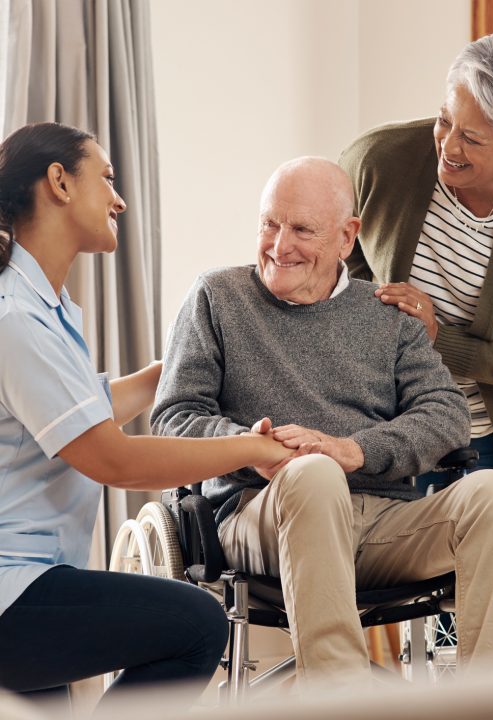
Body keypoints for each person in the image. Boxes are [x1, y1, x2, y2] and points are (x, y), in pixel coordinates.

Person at [151, 156, 493, 686]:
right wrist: (250, 445)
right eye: (269, 223)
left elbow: (446, 415)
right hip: (260, 514)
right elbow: (173, 417)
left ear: (347, 237)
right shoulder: (217, 297)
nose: (279, 246)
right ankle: (340, 697)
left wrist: (352, 449)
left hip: (380, 524)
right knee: (312, 474)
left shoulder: (386, 316)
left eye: (302, 229)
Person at [0, 122, 294, 709]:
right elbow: (114, 458)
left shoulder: (44, 308)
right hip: (13, 593)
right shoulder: (15, 318)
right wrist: (252, 448)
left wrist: (186, 363)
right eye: (106, 178)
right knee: (198, 625)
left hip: (34, 579)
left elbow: (83, 408)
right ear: (58, 181)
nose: (120, 198)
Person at [339, 29, 493, 654]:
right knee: (399, 574)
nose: (448, 146)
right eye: (446, 121)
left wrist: (438, 340)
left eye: (472, 138)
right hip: (395, 422)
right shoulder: (380, 159)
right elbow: (335, 255)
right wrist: (379, 312)